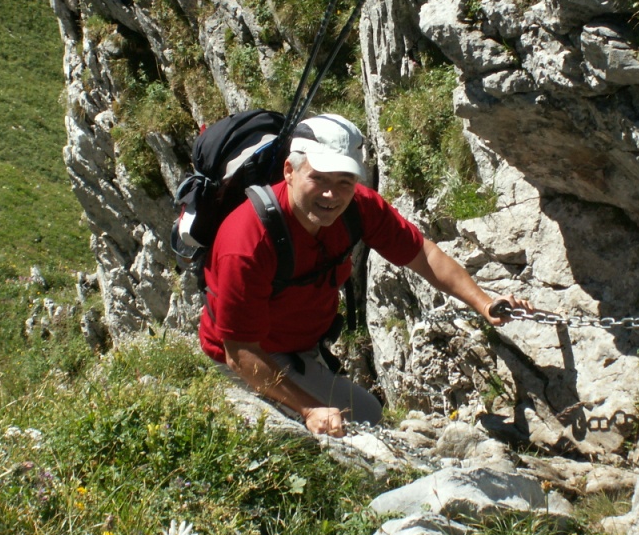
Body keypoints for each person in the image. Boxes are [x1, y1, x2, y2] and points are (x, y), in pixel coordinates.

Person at [198, 113, 532, 437]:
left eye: (344, 182)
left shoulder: (358, 208)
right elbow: (239, 351)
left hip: (298, 349)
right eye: (319, 178)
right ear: (289, 170)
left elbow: (423, 255)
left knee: (366, 414)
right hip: (242, 360)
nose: (332, 195)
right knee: (350, 425)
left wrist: (485, 303)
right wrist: (309, 410)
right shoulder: (246, 241)